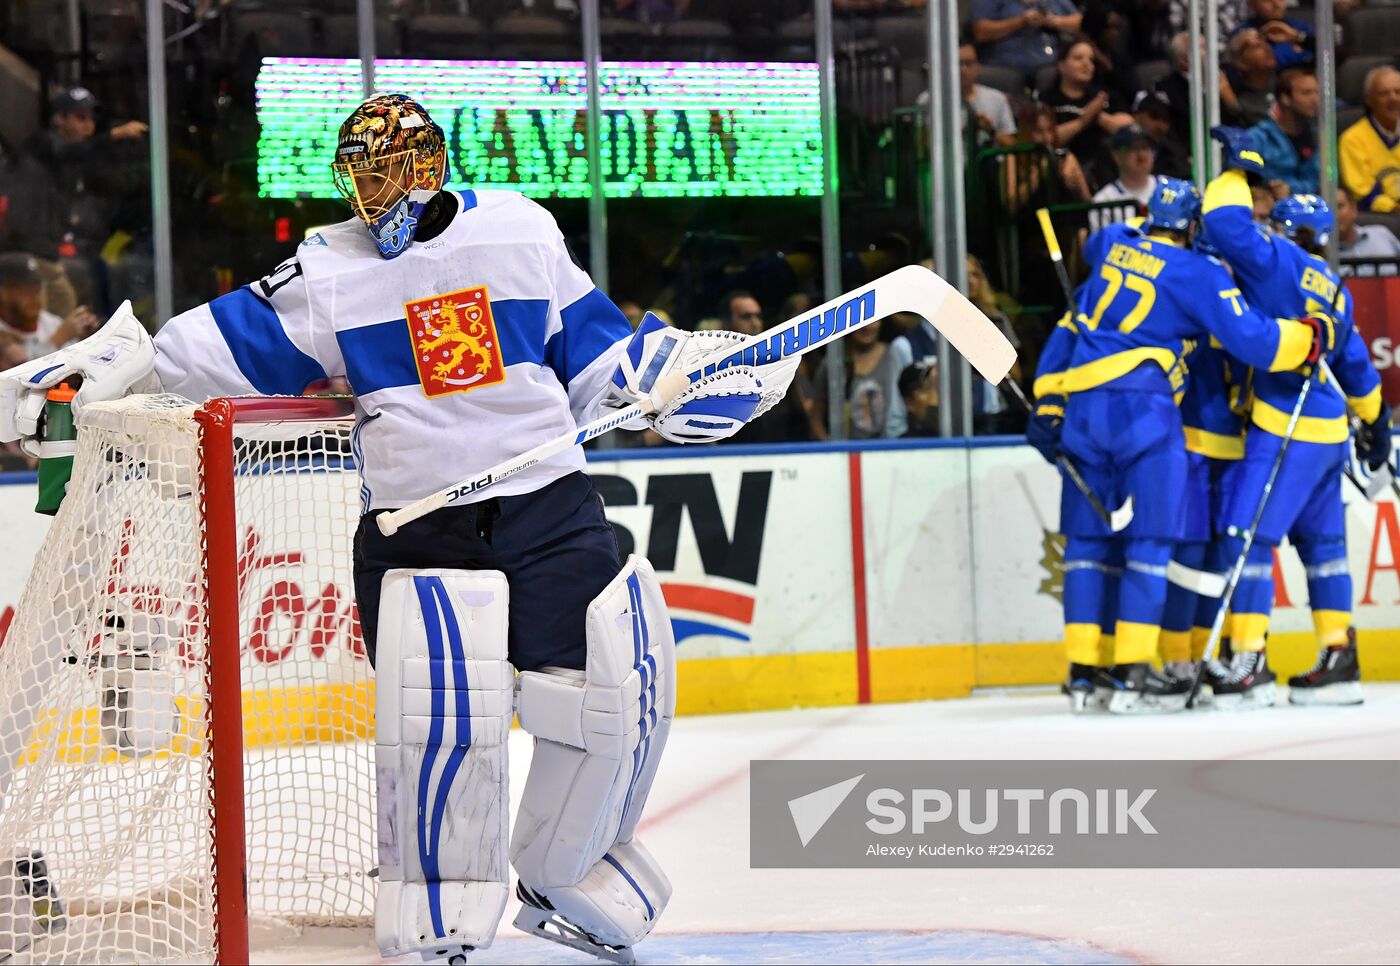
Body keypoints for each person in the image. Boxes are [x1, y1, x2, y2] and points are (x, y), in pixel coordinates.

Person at [0, 92, 797, 964]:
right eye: (360, 173)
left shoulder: (520, 230)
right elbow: (196, 351)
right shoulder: (324, 272)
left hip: (549, 505)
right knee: (445, 719)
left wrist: (680, 374)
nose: (375, 191)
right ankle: (438, 918)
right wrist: (97, 368)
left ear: (430, 164)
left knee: (615, 693)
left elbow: (601, 360)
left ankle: (567, 870)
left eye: (390, 169)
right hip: (419, 525)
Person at [1026, 175, 1331, 714]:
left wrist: (1048, 400)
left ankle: (1083, 673)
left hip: (1082, 410)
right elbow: (1255, 341)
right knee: (1153, 543)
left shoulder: (1112, 247)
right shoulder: (1201, 273)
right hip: (1145, 410)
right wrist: (1310, 337)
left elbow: (1091, 260)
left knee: (1087, 545)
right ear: (1194, 227)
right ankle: (1136, 672)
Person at [1203, 126, 1387, 708]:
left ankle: (1249, 661)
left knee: (1249, 540)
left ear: (1285, 228)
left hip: (1284, 422)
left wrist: (1238, 172)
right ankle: (1339, 657)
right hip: (1330, 431)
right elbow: (1356, 367)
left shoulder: (1274, 259)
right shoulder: (1336, 287)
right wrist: (1376, 421)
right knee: (1324, 546)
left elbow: (1226, 226)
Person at [4, 87, 149, 313]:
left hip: (49, 251)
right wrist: (115, 134)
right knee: (45, 310)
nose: (88, 125)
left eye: (91, 118)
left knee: (67, 305)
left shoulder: (80, 159)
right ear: (59, 119)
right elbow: (67, 153)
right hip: (25, 251)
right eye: (80, 118)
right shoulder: (41, 143)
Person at [1039, 37, 1133, 191]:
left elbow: (1129, 129)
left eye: (1091, 59)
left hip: (1104, 166)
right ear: (1061, 65)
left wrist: (1100, 116)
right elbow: (1047, 138)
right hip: (1063, 167)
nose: (1087, 64)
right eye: (1078, 58)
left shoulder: (1103, 95)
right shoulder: (1048, 99)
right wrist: (1082, 121)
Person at [0, 252, 100, 359]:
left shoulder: (52, 323)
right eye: (24, 290)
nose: (34, 296)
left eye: (37, 289)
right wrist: (58, 339)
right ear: (3, 292)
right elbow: (19, 369)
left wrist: (87, 340)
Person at [969, 0, 1083, 83]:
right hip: (1004, 63)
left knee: (1056, 76)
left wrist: (1054, 21)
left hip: (1048, 64)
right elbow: (981, 32)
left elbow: (1082, 23)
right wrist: (1021, 21)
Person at [1249, 67, 1320, 196]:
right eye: (1306, 93)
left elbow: (1323, 182)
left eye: (1317, 93)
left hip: (1313, 209)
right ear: (1285, 99)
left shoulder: (1320, 137)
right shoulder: (1258, 137)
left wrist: (1291, 189)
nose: (1315, 100)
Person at [1339, 66, 1400, 214]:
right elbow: (1364, 195)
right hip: (1381, 217)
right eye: (1384, 93)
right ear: (1369, 100)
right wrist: (1394, 207)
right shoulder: (1352, 139)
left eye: (1398, 92)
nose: (1393, 98)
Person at [1089, 124, 1158, 232]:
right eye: (1133, 148)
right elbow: (1102, 245)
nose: (1142, 155)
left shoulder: (1168, 188)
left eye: (1145, 147)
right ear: (1116, 156)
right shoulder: (1104, 200)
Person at [959, 41, 1018, 149]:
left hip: (989, 164)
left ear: (977, 66)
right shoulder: (928, 102)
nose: (963, 70)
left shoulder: (997, 99)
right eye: (958, 63)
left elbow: (1011, 145)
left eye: (968, 63)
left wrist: (991, 131)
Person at [1336, 186, 1400, 277]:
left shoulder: (1382, 234)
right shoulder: (1319, 256)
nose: (1333, 213)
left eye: (1338, 206)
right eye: (1327, 208)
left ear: (1353, 209)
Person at [1235, 0, 1314, 70]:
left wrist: (1298, 37)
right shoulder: (1242, 34)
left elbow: (1321, 53)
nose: (1276, 4)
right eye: (1267, 0)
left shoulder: (1301, 28)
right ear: (1252, 5)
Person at [1222, 28, 1277, 127]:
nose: (1265, 47)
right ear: (1240, 63)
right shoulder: (1242, 102)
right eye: (1255, 46)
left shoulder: (1287, 82)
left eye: (1264, 41)